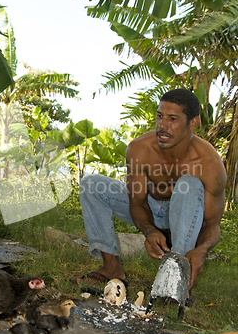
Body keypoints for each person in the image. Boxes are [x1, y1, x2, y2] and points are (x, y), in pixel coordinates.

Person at [78, 88, 227, 289]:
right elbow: (137, 201)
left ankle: (175, 278)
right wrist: (149, 230)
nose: (162, 126)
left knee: (188, 184)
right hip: (151, 208)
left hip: (187, 217)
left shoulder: (209, 162)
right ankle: (112, 267)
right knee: (91, 185)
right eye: (159, 116)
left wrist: (202, 249)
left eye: (172, 119)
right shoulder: (140, 149)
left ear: (192, 123)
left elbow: (211, 223)